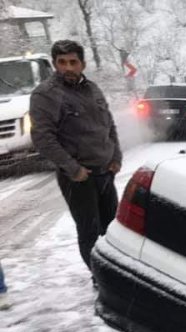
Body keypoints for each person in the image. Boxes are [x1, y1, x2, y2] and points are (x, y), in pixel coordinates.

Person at [30, 39, 122, 271]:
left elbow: (109, 125)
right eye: (62, 62)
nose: (68, 68)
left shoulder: (92, 89)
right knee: (89, 231)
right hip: (79, 178)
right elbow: (43, 139)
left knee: (112, 229)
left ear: (83, 64)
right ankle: (99, 277)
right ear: (54, 64)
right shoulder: (46, 95)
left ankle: (115, 274)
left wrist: (116, 157)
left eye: (73, 62)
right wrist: (74, 170)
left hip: (105, 172)